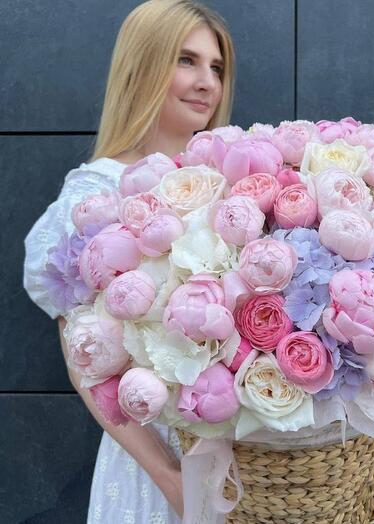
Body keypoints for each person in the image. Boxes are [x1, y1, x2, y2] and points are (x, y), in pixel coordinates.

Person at [22, 1, 236, 522]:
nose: (207, 82)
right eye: (186, 60)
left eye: (216, 67)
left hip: (242, 451)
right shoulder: (96, 193)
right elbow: (85, 362)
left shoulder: (231, 182)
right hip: (154, 458)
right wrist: (168, 477)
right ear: (141, 68)